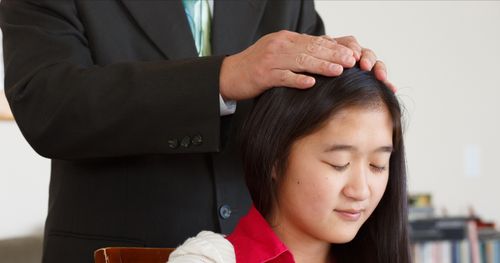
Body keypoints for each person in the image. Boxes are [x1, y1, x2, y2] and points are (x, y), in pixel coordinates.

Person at [0, 0, 394, 262]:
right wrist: (222, 78)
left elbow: (306, 106)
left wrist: (348, 72)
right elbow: (47, 106)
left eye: (378, 164)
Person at [168, 66, 411, 263]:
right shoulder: (210, 259)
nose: (361, 191)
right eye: (340, 163)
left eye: (377, 165)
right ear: (275, 157)